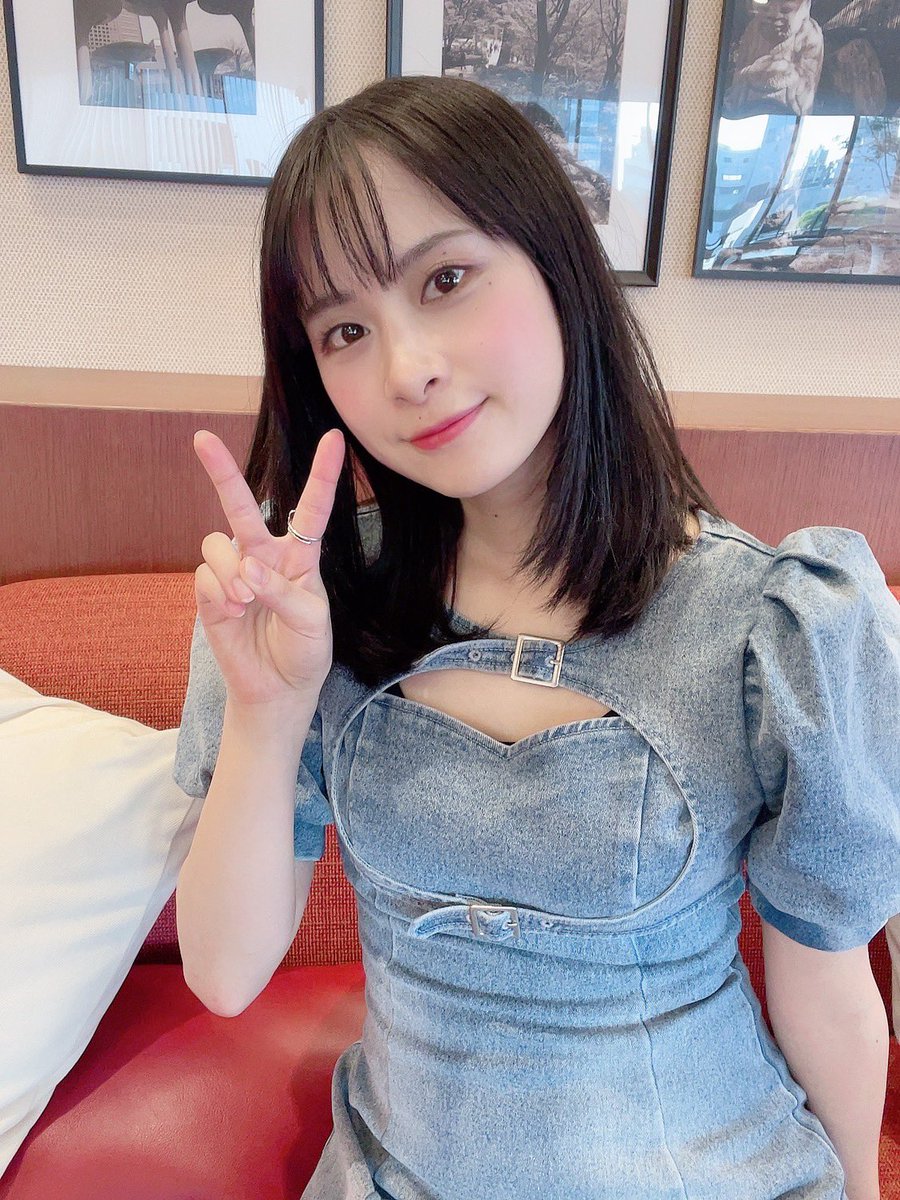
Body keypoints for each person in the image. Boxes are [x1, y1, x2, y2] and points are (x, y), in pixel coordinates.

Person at [172, 74, 900, 1200]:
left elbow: (828, 990)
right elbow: (223, 977)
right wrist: (268, 712)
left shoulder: (774, 624)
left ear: (558, 260)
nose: (407, 368)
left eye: (446, 279)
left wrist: (857, 1184)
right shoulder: (304, 608)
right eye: (346, 329)